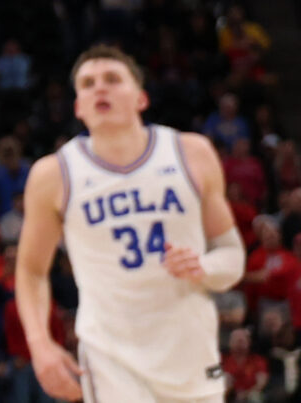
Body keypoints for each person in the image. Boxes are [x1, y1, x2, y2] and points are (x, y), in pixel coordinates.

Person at [16, 46, 243, 403]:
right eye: (87, 84)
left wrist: (203, 267)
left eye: (112, 79)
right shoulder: (53, 175)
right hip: (111, 357)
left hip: (189, 350)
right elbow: (31, 270)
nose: (99, 88)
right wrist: (40, 344)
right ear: (78, 107)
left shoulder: (191, 153)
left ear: (141, 98)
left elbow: (232, 256)